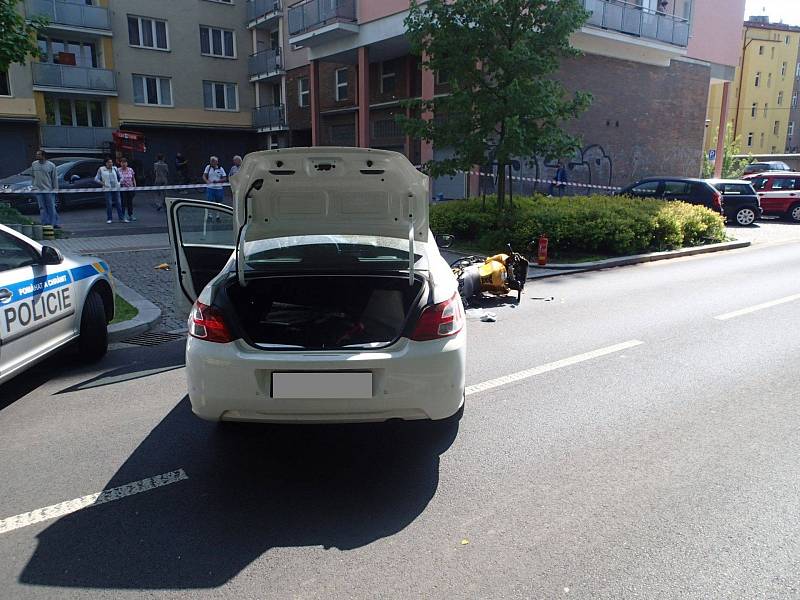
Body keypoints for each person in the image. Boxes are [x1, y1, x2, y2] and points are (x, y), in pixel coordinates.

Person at [30, 150, 60, 229]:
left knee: (51, 207)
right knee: (42, 208)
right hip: (38, 190)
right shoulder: (34, 164)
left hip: (48, 190)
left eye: (39, 154)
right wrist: (33, 186)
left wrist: (55, 189)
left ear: (43, 156)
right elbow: (33, 176)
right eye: (36, 154)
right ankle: (45, 223)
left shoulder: (51, 165)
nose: (37, 156)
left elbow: (54, 178)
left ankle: (54, 223)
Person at [95, 157, 126, 223]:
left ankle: (121, 218)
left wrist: (119, 183)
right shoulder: (101, 169)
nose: (110, 163)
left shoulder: (115, 168)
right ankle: (109, 218)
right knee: (109, 204)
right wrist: (103, 183)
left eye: (111, 162)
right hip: (107, 189)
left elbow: (121, 177)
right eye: (109, 162)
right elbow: (96, 179)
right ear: (106, 163)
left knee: (118, 203)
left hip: (116, 188)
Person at [118, 157, 137, 221]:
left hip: (130, 188)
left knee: (130, 202)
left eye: (125, 162)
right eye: (122, 162)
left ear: (127, 163)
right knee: (123, 202)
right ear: (120, 163)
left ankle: (130, 215)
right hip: (122, 188)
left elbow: (133, 178)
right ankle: (122, 216)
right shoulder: (118, 170)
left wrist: (135, 186)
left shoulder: (130, 169)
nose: (124, 164)